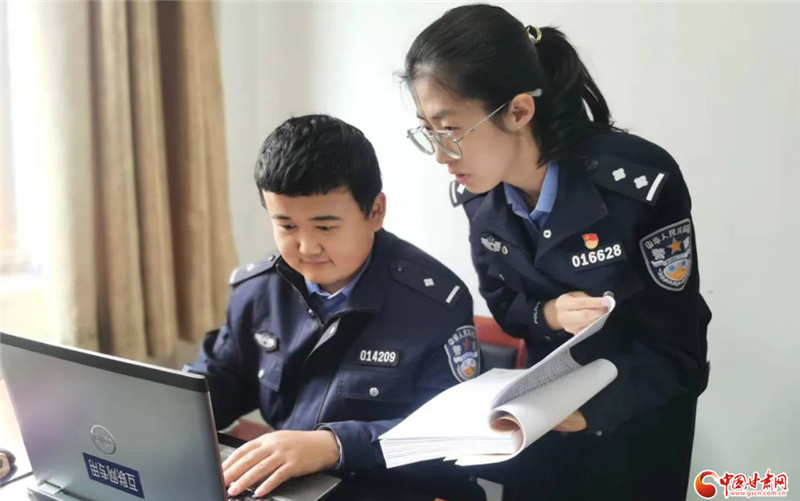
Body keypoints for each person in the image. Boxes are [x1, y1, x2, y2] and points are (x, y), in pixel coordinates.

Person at [400, 5, 711, 500]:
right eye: (427, 131)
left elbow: (679, 352)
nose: (440, 155)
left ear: (519, 111)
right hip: (540, 421)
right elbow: (505, 303)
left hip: (635, 427)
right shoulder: (480, 195)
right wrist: (548, 313)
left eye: (450, 130)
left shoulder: (636, 185)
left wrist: (590, 410)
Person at [186, 114, 483, 500]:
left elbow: (450, 433)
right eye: (287, 227)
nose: (307, 247)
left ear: (375, 211)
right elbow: (221, 380)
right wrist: (173, 409)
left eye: (325, 227)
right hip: (296, 489)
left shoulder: (433, 303)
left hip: (400, 490)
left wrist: (335, 446)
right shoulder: (257, 290)